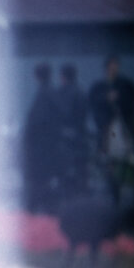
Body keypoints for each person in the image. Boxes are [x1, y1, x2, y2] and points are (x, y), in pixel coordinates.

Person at [88, 55, 134, 204]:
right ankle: (114, 192)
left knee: (127, 160)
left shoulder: (126, 85)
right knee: (111, 161)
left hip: (123, 129)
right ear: (106, 68)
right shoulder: (99, 87)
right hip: (108, 130)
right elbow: (94, 104)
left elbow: (131, 103)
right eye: (111, 65)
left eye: (115, 65)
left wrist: (118, 99)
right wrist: (106, 99)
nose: (113, 68)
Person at [22, 63, 61, 213]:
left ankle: (35, 209)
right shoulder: (53, 92)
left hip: (41, 147)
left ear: (36, 76)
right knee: (44, 180)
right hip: (50, 145)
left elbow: (36, 122)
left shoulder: (43, 95)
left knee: (38, 181)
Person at [54, 63, 89, 198]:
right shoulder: (82, 93)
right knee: (81, 172)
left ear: (62, 77)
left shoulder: (59, 94)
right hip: (80, 137)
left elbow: (60, 116)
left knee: (65, 174)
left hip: (65, 140)